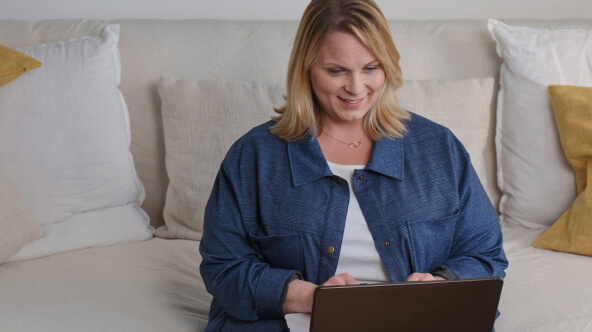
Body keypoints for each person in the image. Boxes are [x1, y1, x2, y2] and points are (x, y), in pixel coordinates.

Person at [199, 0, 508, 330]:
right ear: (305, 68)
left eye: (371, 68)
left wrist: (441, 285)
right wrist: (309, 297)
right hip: (291, 321)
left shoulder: (438, 147)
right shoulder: (254, 155)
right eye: (336, 71)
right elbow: (224, 265)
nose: (357, 88)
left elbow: (484, 254)